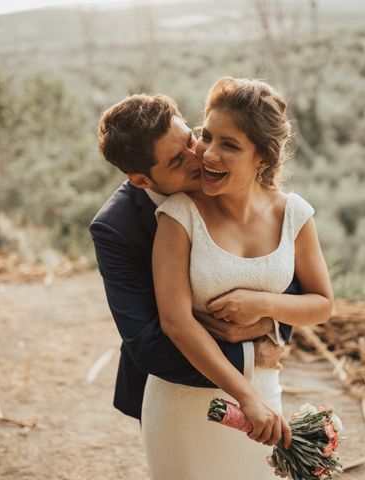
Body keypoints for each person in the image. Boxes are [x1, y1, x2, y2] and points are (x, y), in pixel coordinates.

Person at [146, 77, 333, 479]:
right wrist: (245, 398)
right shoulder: (180, 214)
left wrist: (262, 304)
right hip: (183, 399)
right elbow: (175, 322)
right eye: (207, 136)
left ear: (262, 158)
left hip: (263, 390)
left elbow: (322, 304)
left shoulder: (295, 215)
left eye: (229, 145)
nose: (207, 154)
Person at [90, 93, 296, 422]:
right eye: (176, 161)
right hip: (171, 387)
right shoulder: (115, 229)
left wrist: (269, 319)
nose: (199, 156)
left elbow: (287, 274)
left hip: (258, 387)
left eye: (191, 139)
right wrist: (250, 354)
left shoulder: (222, 177)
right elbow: (147, 342)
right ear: (142, 180)